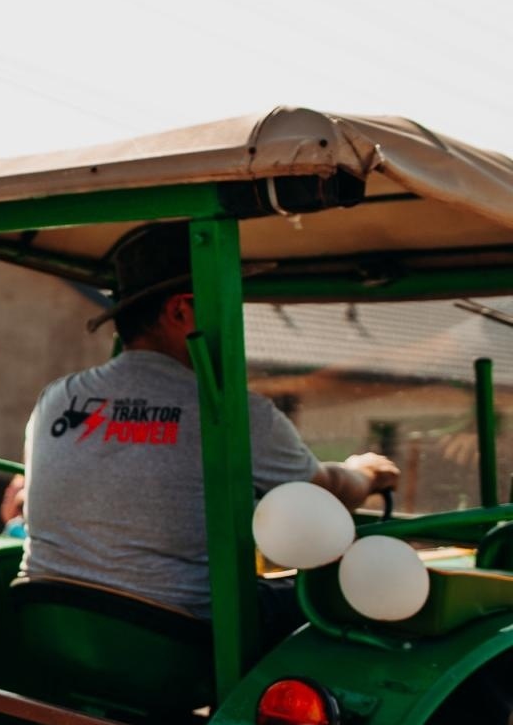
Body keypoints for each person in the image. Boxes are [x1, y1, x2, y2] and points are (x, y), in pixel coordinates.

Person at [21, 221, 399, 623]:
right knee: (339, 604)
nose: (234, 317)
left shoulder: (56, 399)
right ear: (181, 311)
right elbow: (324, 494)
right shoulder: (234, 414)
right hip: (178, 635)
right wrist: (368, 474)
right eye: (223, 300)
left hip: (51, 624)